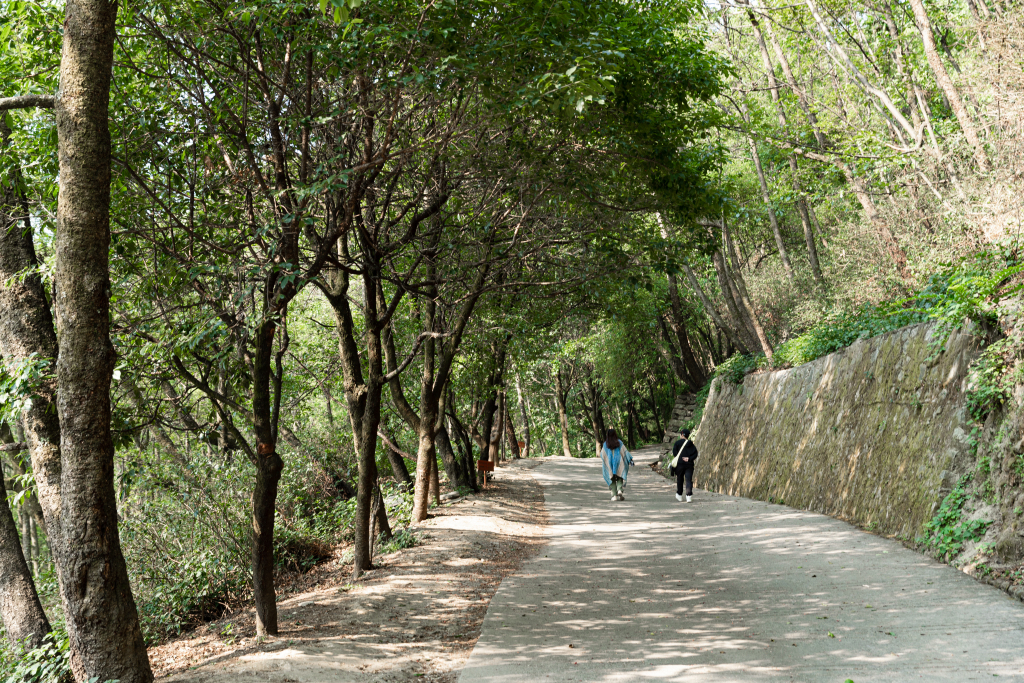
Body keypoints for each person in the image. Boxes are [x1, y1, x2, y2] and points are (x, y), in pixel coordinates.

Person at [599, 428, 633, 501]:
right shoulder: (619, 443)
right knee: (620, 476)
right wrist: (630, 460)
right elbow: (625, 452)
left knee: (612, 479)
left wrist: (606, 461)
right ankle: (619, 490)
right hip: (619, 462)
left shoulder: (605, 444)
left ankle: (614, 496)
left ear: (607, 435)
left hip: (610, 463)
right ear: (615, 435)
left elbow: (602, 455)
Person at [670, 428, 698, 502]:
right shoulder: (691, 444)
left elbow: (675, 453)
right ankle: (688, 496)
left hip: (680, 464)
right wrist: (689, 458)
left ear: (682, 435)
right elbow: (695, 454)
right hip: (689, 465)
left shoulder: (677, 443)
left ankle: (679, 494)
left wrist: (680, 457)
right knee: (688, 479)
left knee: (680, 479)